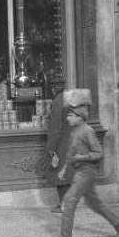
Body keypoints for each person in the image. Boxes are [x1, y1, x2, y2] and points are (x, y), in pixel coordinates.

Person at [51, 97, 119, 237]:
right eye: (68, 115)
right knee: (95, 204)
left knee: (69, 200)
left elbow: (99, 153)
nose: (68, 118)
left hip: (87, 172)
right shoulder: (75, 132)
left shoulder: (88, 130)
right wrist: (64, 169)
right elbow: (71, 154)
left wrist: (83, 157)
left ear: (80, 118)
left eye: (71, 115)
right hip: (80, 172)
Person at [45, 81, 70, 213]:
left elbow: (56, 128)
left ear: (54, 88)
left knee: (59, 174)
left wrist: (51, 148)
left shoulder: (57, 101)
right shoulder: (69, 98)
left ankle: (63, 205)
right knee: (67, 173)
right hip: (71, 141)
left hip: (61, 143)